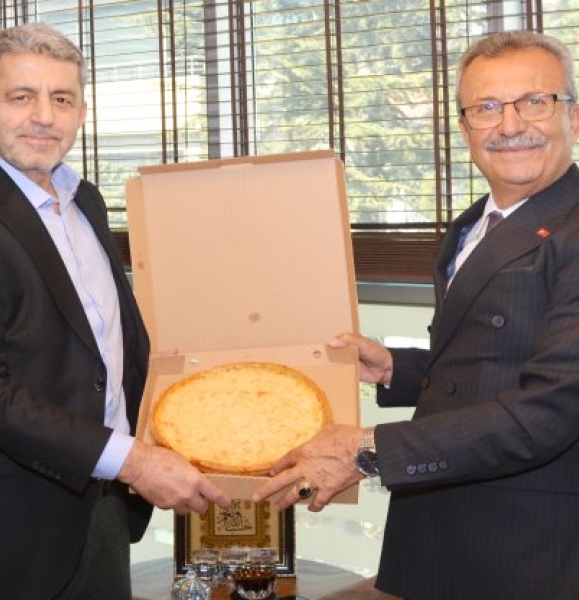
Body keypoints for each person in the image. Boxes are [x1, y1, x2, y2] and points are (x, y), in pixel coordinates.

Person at [254, 30, 579, 600]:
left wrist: (366, 450)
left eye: (534, 101)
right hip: (443, 529)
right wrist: (395, 369)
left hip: (526, 548)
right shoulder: (475, 224)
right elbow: (497, 357)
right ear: (465, 128)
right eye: (486, 107)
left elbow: (549, 410)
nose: (509, 126)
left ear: (573, 116)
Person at [0, 22, 230, 600]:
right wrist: (133, 461)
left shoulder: (83, 199)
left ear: (82, 112)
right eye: (21, 96)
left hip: (105, 504)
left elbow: (99, 339)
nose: (44, 116)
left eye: (62, 99)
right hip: (9, 524)